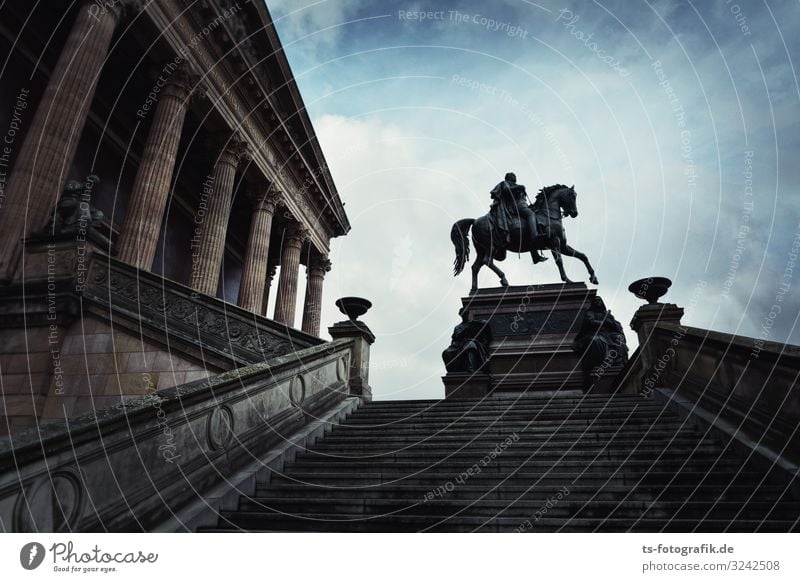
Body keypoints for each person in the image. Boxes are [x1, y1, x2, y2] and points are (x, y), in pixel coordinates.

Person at [489, 172, 547, 263]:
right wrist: (519, 187)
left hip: (523, 206)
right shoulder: (505, 183)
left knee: (534, 215)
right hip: (516, 206)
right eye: (513, 176)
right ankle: (535, 236)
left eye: (515, 176)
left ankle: (534, 254)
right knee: (531, 214)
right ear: (509, 177)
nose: (515, 177)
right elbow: (506, 190)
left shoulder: (515, 185)